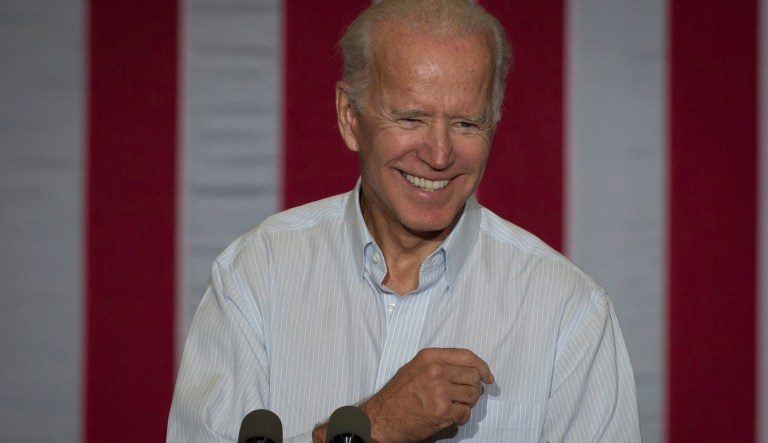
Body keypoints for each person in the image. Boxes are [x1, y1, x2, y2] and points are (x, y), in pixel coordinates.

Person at [167, 0, 641, 441]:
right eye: (411, 118)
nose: (438, 154)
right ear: (350, 117)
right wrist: (378, 424)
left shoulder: (570, 313)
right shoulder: (256, 274)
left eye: (466, 123)